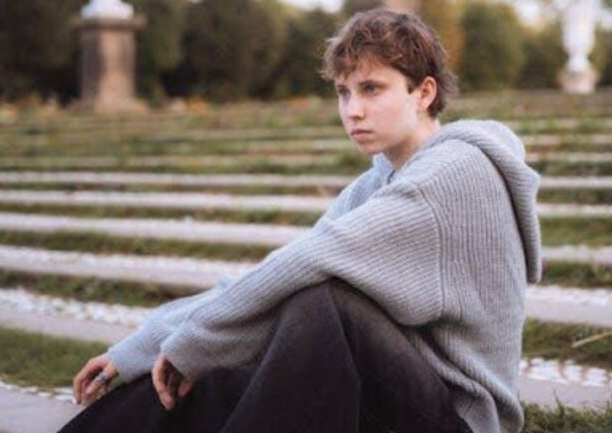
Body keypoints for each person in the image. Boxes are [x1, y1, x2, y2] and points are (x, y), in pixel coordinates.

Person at [60, 8, 541, 433]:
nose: (353, 110)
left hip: (457, 419)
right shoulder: (378, 182)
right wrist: (145, 346)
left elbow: (309, 262)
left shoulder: (457, 172)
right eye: (343, 92)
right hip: (388, 392)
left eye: (372, 89)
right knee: (223, 372)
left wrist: (195, 341)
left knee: (319, 301)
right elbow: (275, 271)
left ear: (424, 92)